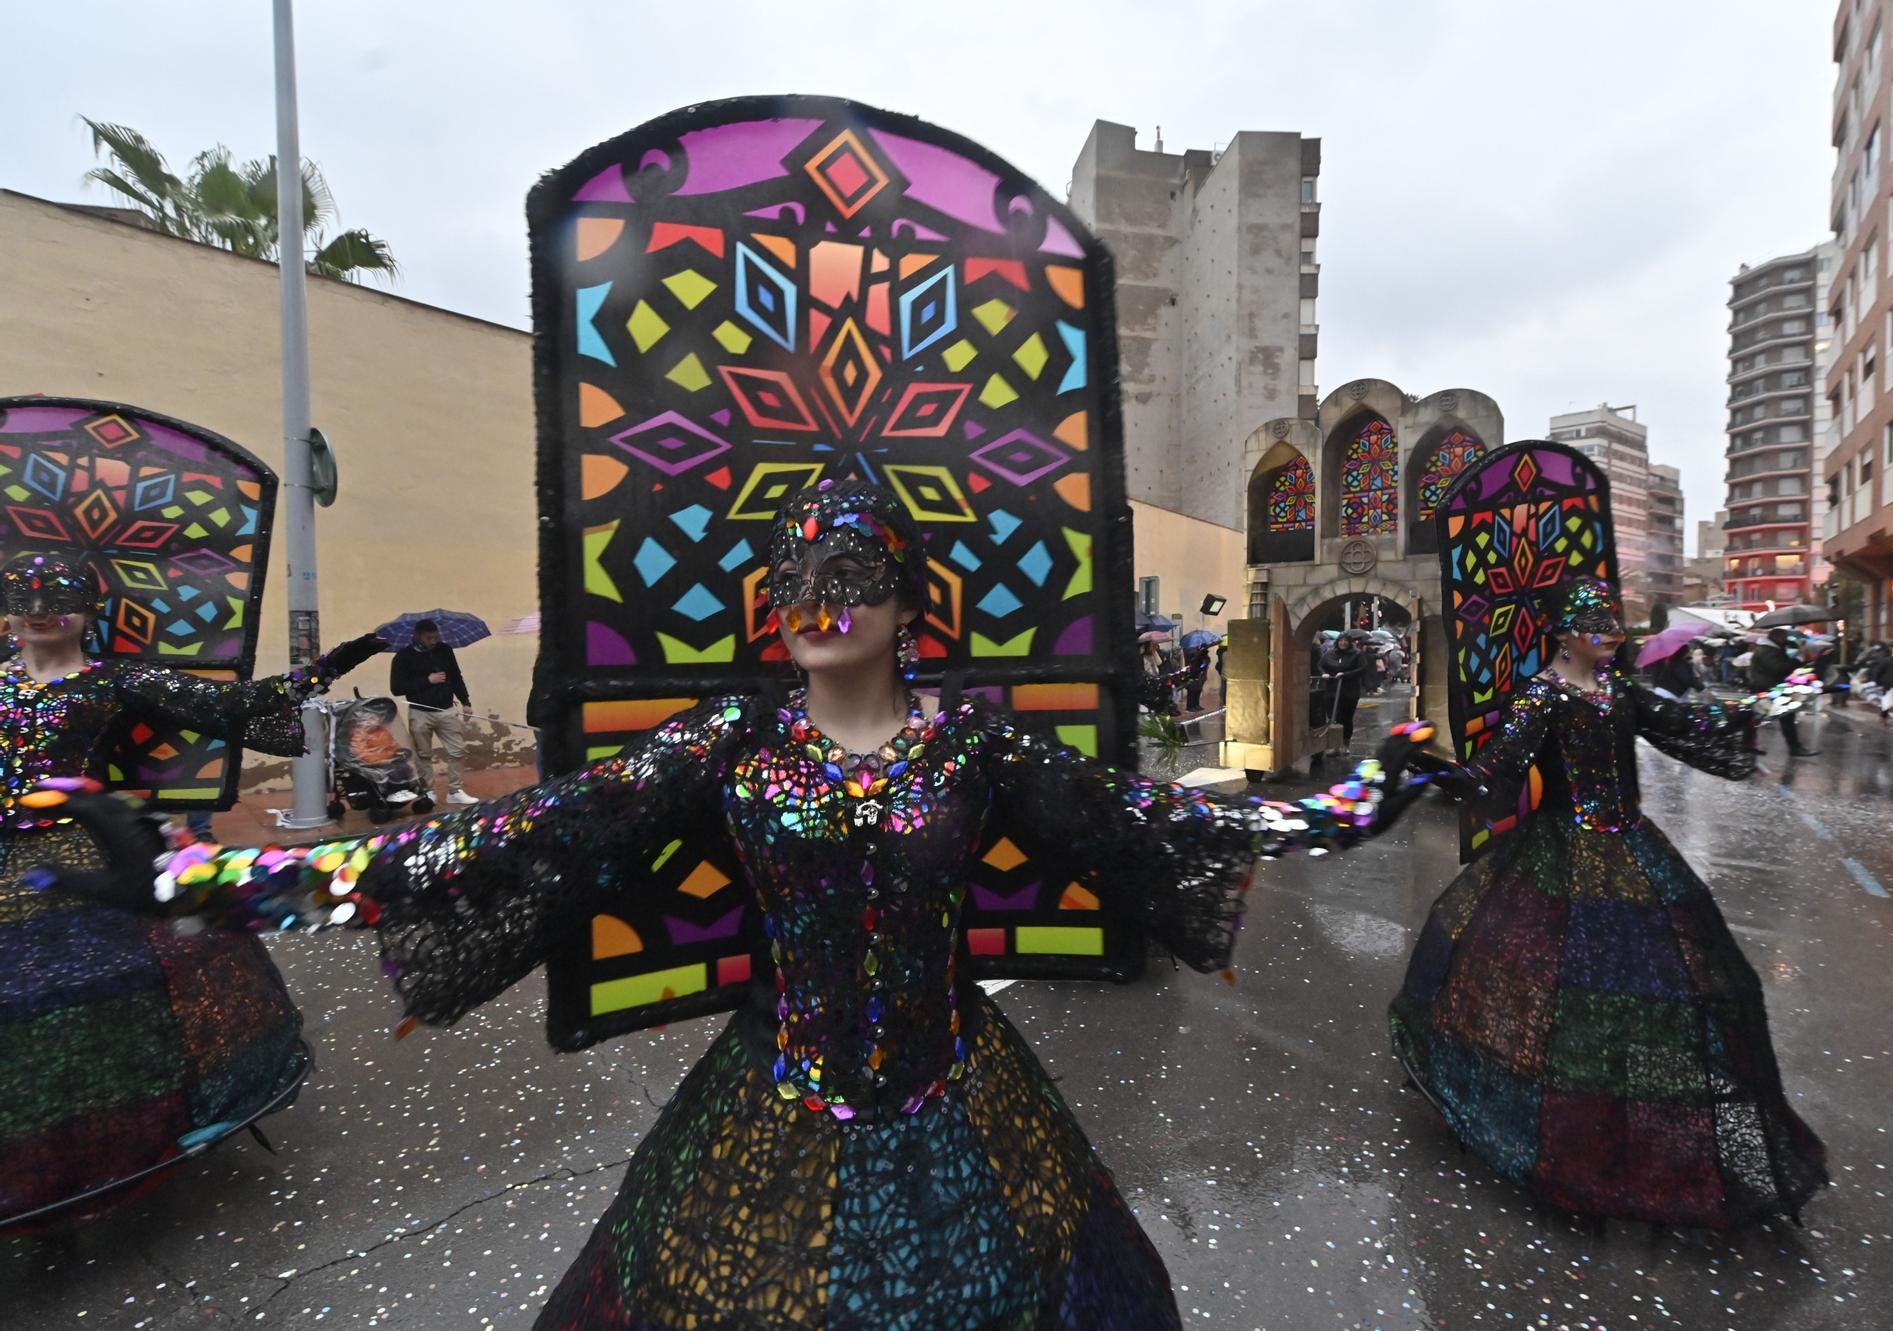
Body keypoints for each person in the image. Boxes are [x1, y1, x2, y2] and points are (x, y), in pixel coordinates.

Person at [35, 480, 1442, 1326]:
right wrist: (204, 873)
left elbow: (1170, 821)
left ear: (910, 602)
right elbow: (504, 845)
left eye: (854, 577)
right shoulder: (722, 745)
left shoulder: (979, 749)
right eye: (798, 579)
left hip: (960, 1090)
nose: (821, 598)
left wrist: (1363, 797)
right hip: (770, 1099)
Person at [1391, 578, 1827, 1229]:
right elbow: (1497, 771)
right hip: (1559, 859)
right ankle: (1560, 1137)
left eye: (1614, 622)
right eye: (1597, 623)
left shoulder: (1622, 690)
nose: (1612, 633)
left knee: (1683, 989)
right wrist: (1428, 763)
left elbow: (1690, 720)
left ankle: (1673, 1134)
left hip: (1633, 855)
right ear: (1565, 631)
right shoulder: (1543, 695)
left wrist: (1770, 701)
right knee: (1559, 994)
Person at [0, 552, 381, 1228]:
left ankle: (109, 1146)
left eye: (55, 596)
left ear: (88, 611)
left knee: (104, 1002)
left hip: (85, 847)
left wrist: (358, 649)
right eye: (20, 595)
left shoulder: (113, 680)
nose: (35, 610)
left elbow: (243, 703)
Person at [390, 618, 477, 805]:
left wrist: (466, 702)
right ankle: (429, 791)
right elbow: (397, 687)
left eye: (436, 637)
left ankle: (455, 790)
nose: (433, 641)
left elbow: (456, 676)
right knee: (423, 754)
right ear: (417, 636)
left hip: (446, 709)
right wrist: (427, 680)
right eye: (429, 637)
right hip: (420, 712)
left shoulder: (444, 650)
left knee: (457, 750)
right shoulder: (403, 657)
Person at [1750, 629, 1815, 756]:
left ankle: (1746, 744)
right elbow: (1778, 668)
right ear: (1776, 637)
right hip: (1769, 688)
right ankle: (1794, 748)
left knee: (1758, 716)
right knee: (1786, 717)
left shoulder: (1771, 649)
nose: (1786, 640)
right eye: (1784, 637)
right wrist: (1798, 659)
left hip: (1768, 687)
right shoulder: (1767, 651)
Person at [1319, 633, 1370, 755]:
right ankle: (1334, 745)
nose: (1343, 643)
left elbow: (1363, 668)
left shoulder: (1357, 654)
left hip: (1349, 691)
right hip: (1332, 689)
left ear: (1350, 642)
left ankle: (1345, 744)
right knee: (1333, 718)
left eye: (1346, 641)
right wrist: (1324, 673)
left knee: (1346, 718)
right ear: (1337, 642)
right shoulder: (1330, 653)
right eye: (1341, 641)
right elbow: (1320, 665)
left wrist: (1346, 674)